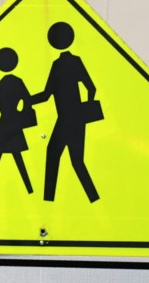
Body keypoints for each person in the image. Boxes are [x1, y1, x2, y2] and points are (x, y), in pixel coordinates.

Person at [32, 21, 101, 203]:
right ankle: (89, 198)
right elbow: (91, 88)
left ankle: (50, 199)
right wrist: (85, 109)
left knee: (60, 157)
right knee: (71, 160)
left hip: (67, 120)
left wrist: (28, 101)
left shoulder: (61, 64)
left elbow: (46, 95)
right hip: (73, 120)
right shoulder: (71, 63)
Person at [0, 47, 35, 194]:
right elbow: (28, 101)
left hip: (4, 126)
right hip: (14, 124)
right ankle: (29, 189)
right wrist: (21, 113)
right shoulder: (18, 82)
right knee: (17, 159)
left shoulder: (1, 84)